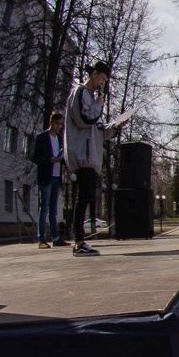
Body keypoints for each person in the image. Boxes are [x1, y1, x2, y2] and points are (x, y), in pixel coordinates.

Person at [66, 60, 114, 256]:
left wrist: (117, 126)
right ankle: (79, 242)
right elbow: (83, 119)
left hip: (91, 156)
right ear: (94, 74)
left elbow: (100, 131)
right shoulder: (80, 93)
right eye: (102, 78)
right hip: (82, 155)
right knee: (82, 197)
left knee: (85, 197)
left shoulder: (91, 99)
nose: (102, 83)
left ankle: (80, 241)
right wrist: (97, 106)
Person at [31, 111, 67, 248]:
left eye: (60, 124)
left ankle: (56, 237)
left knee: (53, 209)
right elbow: (35, 157)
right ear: (51, 122)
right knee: (44, 208)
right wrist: (49, 159)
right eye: (56, 123)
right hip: (46, 177)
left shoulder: (59, 139)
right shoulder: (42, 137)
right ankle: (41, 239)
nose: (58, 126)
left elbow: (62, 157)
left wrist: (62, 159)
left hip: (57, 176)